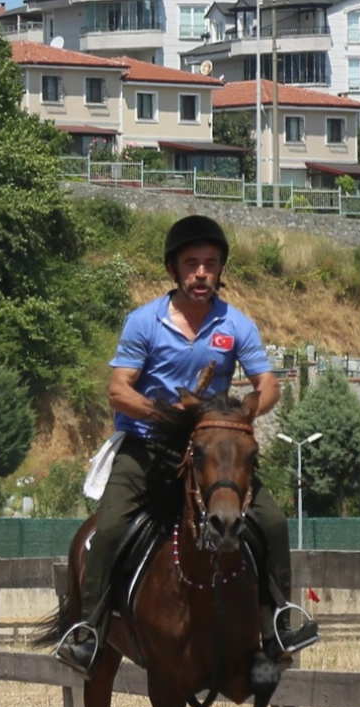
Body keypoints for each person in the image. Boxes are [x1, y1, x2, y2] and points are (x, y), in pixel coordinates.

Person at [53, 215, 319, 676]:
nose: (201, 273)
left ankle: (277, 624)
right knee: (111, 528)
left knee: (273, 521)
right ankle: (89, 631)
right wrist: (167, 417)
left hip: (214, 452)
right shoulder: (144, 322)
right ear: (174, 270)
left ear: (220, 271)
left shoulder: (235, 325)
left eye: (210, 264)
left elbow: (269, 384)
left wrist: (248, 412)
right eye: (192, 264)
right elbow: (118, 390)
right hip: (147, 447)